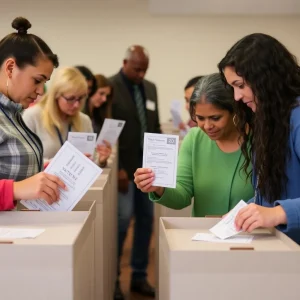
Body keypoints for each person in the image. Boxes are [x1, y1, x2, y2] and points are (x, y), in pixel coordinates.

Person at [218, 33, 300, 244]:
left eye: (241, 85)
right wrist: (245, 212)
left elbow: (275, 210)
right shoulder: (270, 118)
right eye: (232, 87)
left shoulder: (297, 118)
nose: (236, 96)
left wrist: (278, 213)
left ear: (266, 79)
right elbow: (268, 193)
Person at [134, 73, 254, 216]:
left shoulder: (259, 141)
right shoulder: (195, 139)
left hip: (252, 234)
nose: (207, 126)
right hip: (202, 233)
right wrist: (159, 188)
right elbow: (181, 196)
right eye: (200, 118)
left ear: (235, 110)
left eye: (215, 118)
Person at [110, 45, 160, 299]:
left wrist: (162, 164)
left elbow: (156, 126)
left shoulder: (150, 88)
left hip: (148, 170)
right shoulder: (111, 87)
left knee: (146, 221)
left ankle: (139, 276)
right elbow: (107, 133)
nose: (141, 74)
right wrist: (117, 168)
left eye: (144, 69)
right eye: (137, 69)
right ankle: (115, 280)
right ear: (125, 63)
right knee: (121, 223)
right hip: (124, 170)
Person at [0, 16, 66, 209]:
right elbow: (19, 186)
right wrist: (16, 190)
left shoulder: (13, 114)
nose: (40, 91)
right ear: (10, 68)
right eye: (37, 80)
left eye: (44, 83)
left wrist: (47, 174)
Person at [23, 67, 111, 167]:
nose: (76, 105)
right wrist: (54, 163)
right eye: (70, 99)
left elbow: (91, 161)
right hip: (42, 180)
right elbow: (24, 161)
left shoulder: (84, 120)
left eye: (81, 98)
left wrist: (101, 160)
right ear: (56, 95)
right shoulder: (32, 116)